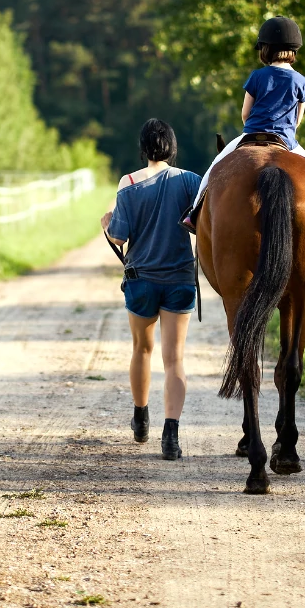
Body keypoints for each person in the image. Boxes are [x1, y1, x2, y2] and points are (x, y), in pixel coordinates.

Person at [181, 16, 305, 235]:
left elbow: (245, 114)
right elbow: (297, 120)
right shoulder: (301, 81)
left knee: (215, 167)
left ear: (265, 49)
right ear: (293, 50)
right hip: (286, 141)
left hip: (251, 136)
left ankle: (194, 214)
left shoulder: (257, 76)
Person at [100, 119, 202, 461]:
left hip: (141, 279)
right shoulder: (190, 181)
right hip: (179, 279)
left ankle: (141, 417)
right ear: (171, 146)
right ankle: (170, 436)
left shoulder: (128, 183)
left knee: (141, 350)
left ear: (144, 147)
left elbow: (119, 235)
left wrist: (106, 223)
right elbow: (202, 223)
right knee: (174, 360)